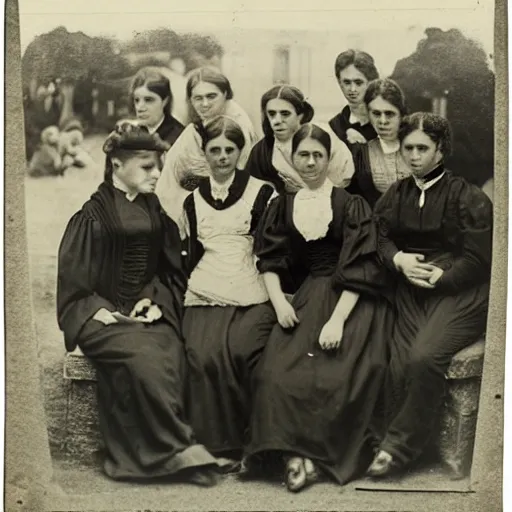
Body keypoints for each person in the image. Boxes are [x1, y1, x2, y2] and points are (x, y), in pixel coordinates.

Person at [56, 120, 227, 485]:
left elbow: (167, 270)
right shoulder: (93, 216)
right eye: (148, 167)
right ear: (117, 165)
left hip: (145, 311)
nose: (157, 174)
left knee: (173, 350)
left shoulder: (154, 212)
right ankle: (172, 453)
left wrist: (151, 301)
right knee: (141, 357)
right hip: (99, 315)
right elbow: (74, 285)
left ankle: (172, 453)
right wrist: (103, 311)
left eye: (158, 166)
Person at [244, 123, 394, 491]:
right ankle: (295, 455)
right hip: (309, 295)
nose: (310, 162)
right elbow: (269, 259)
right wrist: (280, 302)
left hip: (353, 301)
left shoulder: (351, 204)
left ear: (329, 159)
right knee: (274, 374)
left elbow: (361, 266)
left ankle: (314, 460)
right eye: (303, 155)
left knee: (338, 374)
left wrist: (337, 321)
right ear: (292, 158)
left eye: (317, 155)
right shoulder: (282, 205)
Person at [368, 113, 492, 478]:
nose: (415, 156)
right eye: (408, 148)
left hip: (460, 290)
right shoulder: (397, 194)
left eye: (423, 148)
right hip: (412, 287)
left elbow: (480, 259)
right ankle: (401, 447)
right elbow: (378, 235)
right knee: (397, 361)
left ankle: (396, 449)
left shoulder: (465, 195)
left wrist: (444, 277)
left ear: (441, 150)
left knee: (424, 356)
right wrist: (398, 259)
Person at [181, 116, 276, 463]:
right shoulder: (192, 200)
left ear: (240, 152)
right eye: (214, 150)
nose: (222, 157)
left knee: (241, 350)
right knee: (201, 354)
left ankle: (249, 444)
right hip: (204, 289)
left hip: (250, 285)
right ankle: (215, 445)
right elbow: (190, 254)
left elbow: (270, 250)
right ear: (204, 153)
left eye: (229, 150)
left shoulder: (262, 192)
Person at [155, 67, 258, 232]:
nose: (204, 104)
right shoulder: (204, 124)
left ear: (225, 94)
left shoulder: (236, 125)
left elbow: (234, 174)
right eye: (198, 98)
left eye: (211, 96)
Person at [244, 85, 354, 195]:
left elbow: (343, 181)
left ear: (300, 115)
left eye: (285, 114)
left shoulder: (324, 136)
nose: (277, 121)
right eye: (272, 114)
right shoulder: (262, 151)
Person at [346, 78, 412, 208]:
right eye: (376, 114)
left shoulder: (418, 147)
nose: (382, 121)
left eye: (389, 114)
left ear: (401, 114)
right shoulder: (359, 152)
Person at [329, 49, 379, 149]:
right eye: (347, 82)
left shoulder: (384, 119)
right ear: (340, 83)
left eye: (358, 82)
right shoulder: (336, 125)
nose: (352, 89)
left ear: (371, 82)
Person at [130, 67, 185, 146]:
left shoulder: (181, 137)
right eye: (137, 100)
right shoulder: (131, 135)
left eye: (148, 100)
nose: (139, 108)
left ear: (165, 101)